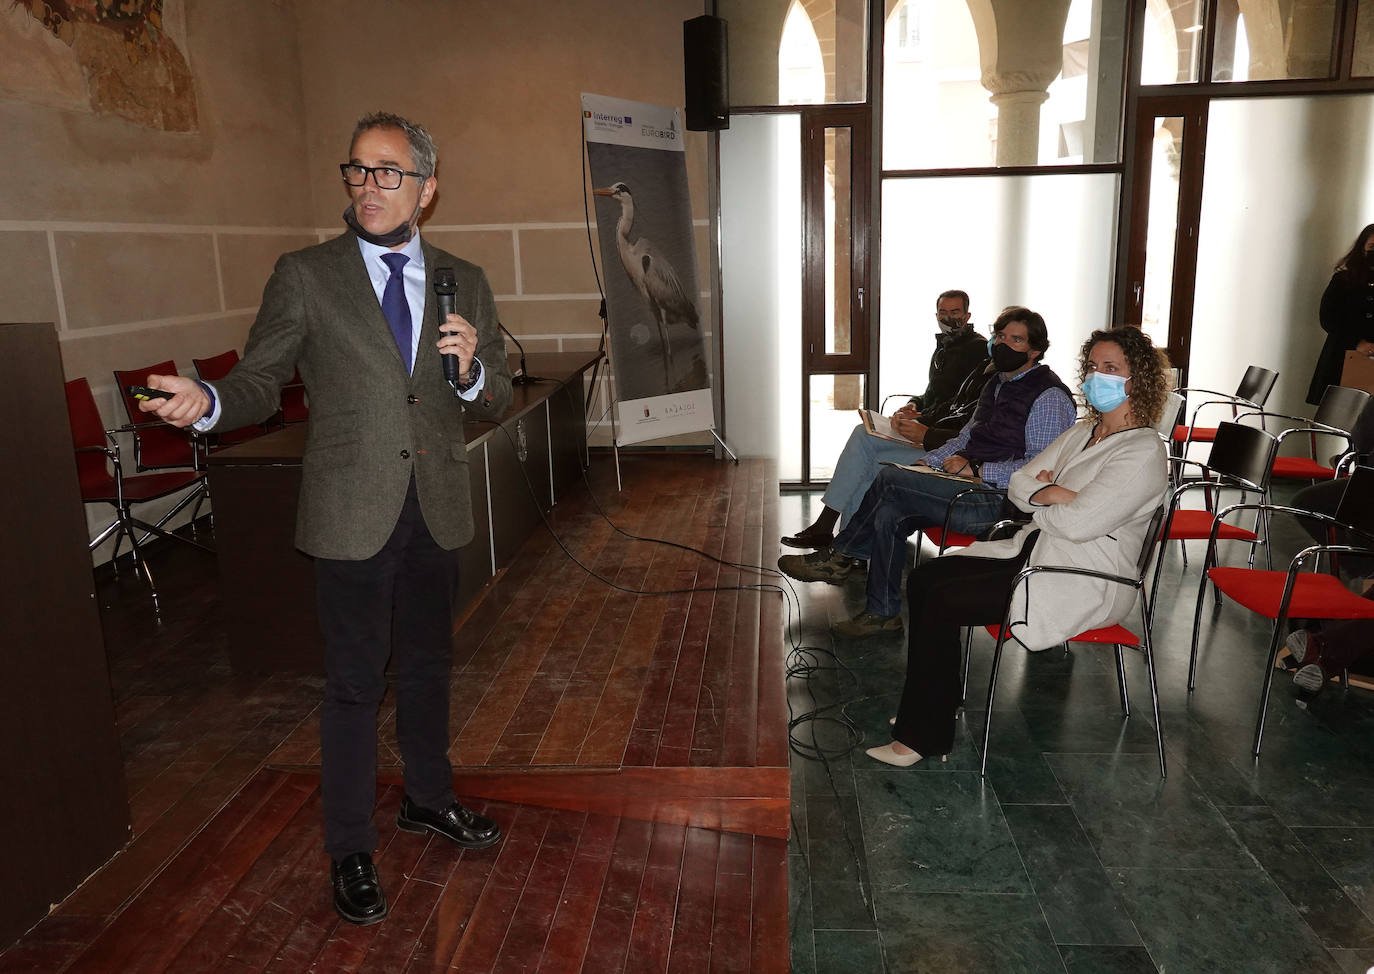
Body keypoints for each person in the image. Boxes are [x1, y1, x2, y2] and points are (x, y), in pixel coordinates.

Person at [135, 111, 513, 925]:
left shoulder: (465, 278)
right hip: (351, 511)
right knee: (350, 687)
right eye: (357, 169)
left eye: (388, 172)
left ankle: (428, 798)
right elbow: (261, 378)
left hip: (435, 504)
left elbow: (499, 391)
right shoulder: (307, 274)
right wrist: (209, 403)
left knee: (428, 670)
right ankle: (350, 848)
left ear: (427, 188)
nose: (368, 186)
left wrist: (474, 367)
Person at [866, 326, 1171, 766]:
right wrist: (1056, 496)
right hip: (1041, 553)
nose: (1095, 376)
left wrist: (1053, 495)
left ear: (1137, 379)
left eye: (1111, 369)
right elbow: (1021, 483)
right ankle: (935, 703)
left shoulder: (1141, 451)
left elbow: (1080, 524)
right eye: (1092, 366)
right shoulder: (1084, 432)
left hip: (1085, 577)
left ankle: (922, 736)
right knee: (928, 576)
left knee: (944, 597)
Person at [779, 307, 1077, 639]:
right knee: (891, 506)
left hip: (999, 503)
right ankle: (882, 614)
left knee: (890, 480)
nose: (1003, 344)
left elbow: (1039, 472)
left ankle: (840, 555)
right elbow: (965, 438)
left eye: (1016, 339)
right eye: (1001, 336)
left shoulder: (1048, 397)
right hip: (965, 486)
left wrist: (979, 468)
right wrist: (929, 462)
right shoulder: (997, 383)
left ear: (1035, 350)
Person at [782, 290, 989, 548]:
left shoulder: (978, 352)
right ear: (936, 315)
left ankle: (835, 537)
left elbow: (960, 409)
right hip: (927, 430)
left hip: (939, 443)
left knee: (866, 451)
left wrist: (923, 420)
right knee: (864, 442)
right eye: (943, 313)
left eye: (955, 313)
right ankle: (840, 543)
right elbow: (933, 394)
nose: (948, 318)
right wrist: (913, 405)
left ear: (968, 315)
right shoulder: (945, 348)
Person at [1307, 223, 1374, 406]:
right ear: (1362, 249)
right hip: (1344, 357)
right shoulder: (1343, 280)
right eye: (1372, 247)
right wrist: (1357, 343)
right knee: (1343, 417)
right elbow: (1328, 318)